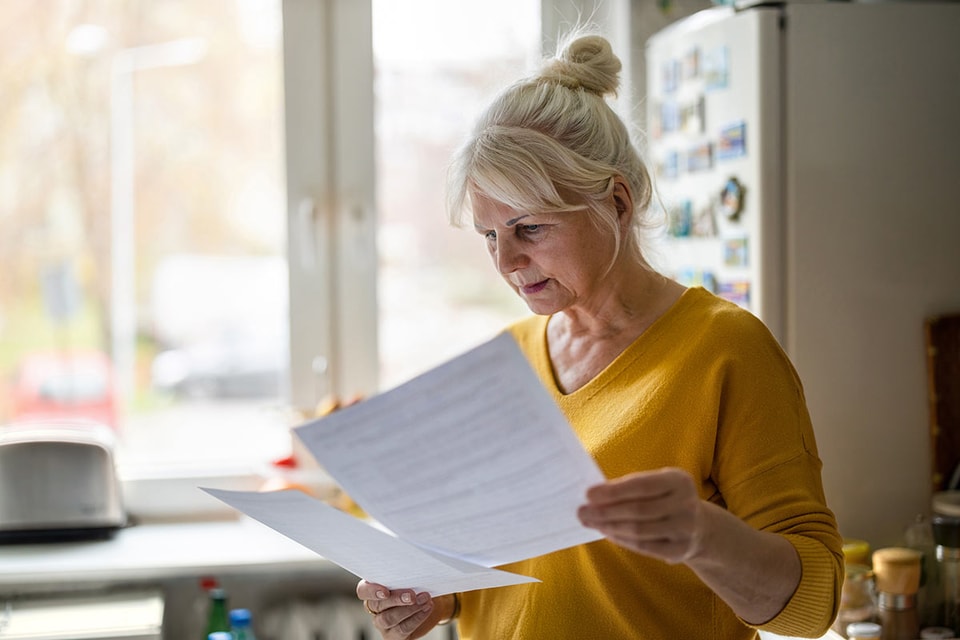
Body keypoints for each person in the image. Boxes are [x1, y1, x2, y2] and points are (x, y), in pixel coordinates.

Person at [356, 29, 843, 640]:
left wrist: (702, 535)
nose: (505, 261)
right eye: (489, 235)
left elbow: (813, 605)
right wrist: (435, 597)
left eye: (528, 228)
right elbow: (512, 569)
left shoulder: (726, 350)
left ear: (616, 201)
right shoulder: (509, 359)